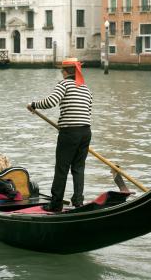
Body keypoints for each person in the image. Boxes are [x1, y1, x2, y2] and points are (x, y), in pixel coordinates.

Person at [27, 58, 93, 212]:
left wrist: (34, 105)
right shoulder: (86, 88)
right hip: (85, 132)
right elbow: (87, 110)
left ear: (65, 71)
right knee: (78, 168)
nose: (61, 72)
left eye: (61, 70)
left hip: (70, 133)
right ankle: (78, 201)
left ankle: (56, 204)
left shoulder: (64, 84)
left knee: (62, 168)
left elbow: (51, 101)